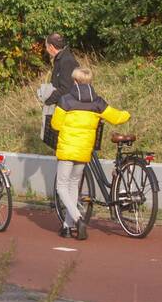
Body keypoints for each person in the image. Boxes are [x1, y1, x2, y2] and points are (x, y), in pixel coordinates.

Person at [51, 67, 130, 240]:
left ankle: (78, 219)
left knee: (62, 187)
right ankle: (67, 226)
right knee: (73, 185)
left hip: (67, 149)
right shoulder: (97, 102)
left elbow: (56, 125)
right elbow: (117, 117)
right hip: (84, 150)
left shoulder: (65, 100)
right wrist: (127, 114)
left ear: (75, 81)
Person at [43, 33, 78, 106]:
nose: (46, 49)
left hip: (69, 107)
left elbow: (66, 88)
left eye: (46, 47)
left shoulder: (66, 61)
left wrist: (48, 101)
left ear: (51, 47)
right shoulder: (60, 59)